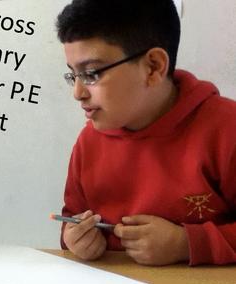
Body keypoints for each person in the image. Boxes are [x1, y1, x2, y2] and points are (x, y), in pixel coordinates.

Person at [56, 0, 236, 266]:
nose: (78, 93)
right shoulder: (89, 141)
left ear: (153, 67)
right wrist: (75, 239)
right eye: (73, 76)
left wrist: (186, 243)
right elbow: (72, 217)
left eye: (92, 73)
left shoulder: (225, 129)